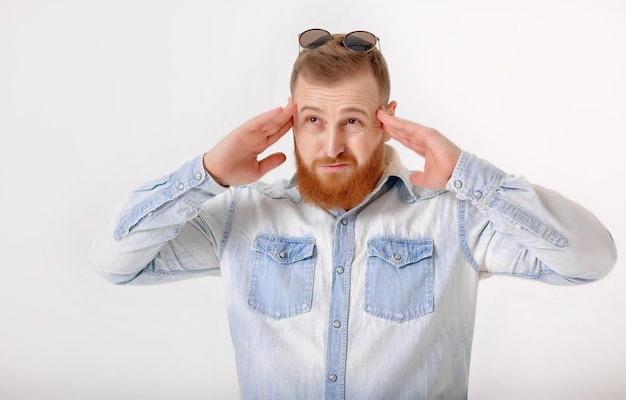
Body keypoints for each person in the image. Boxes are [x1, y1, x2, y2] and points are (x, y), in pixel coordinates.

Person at [88, 29, 617, 400]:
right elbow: (114, 261)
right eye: (314, 119)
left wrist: (466, 173)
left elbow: (590, 259)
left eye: (354, 121)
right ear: (288, 121)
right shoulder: (238, 219)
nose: (332, 145)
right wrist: (206, 174)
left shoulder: (453, 217)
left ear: (387, 121)